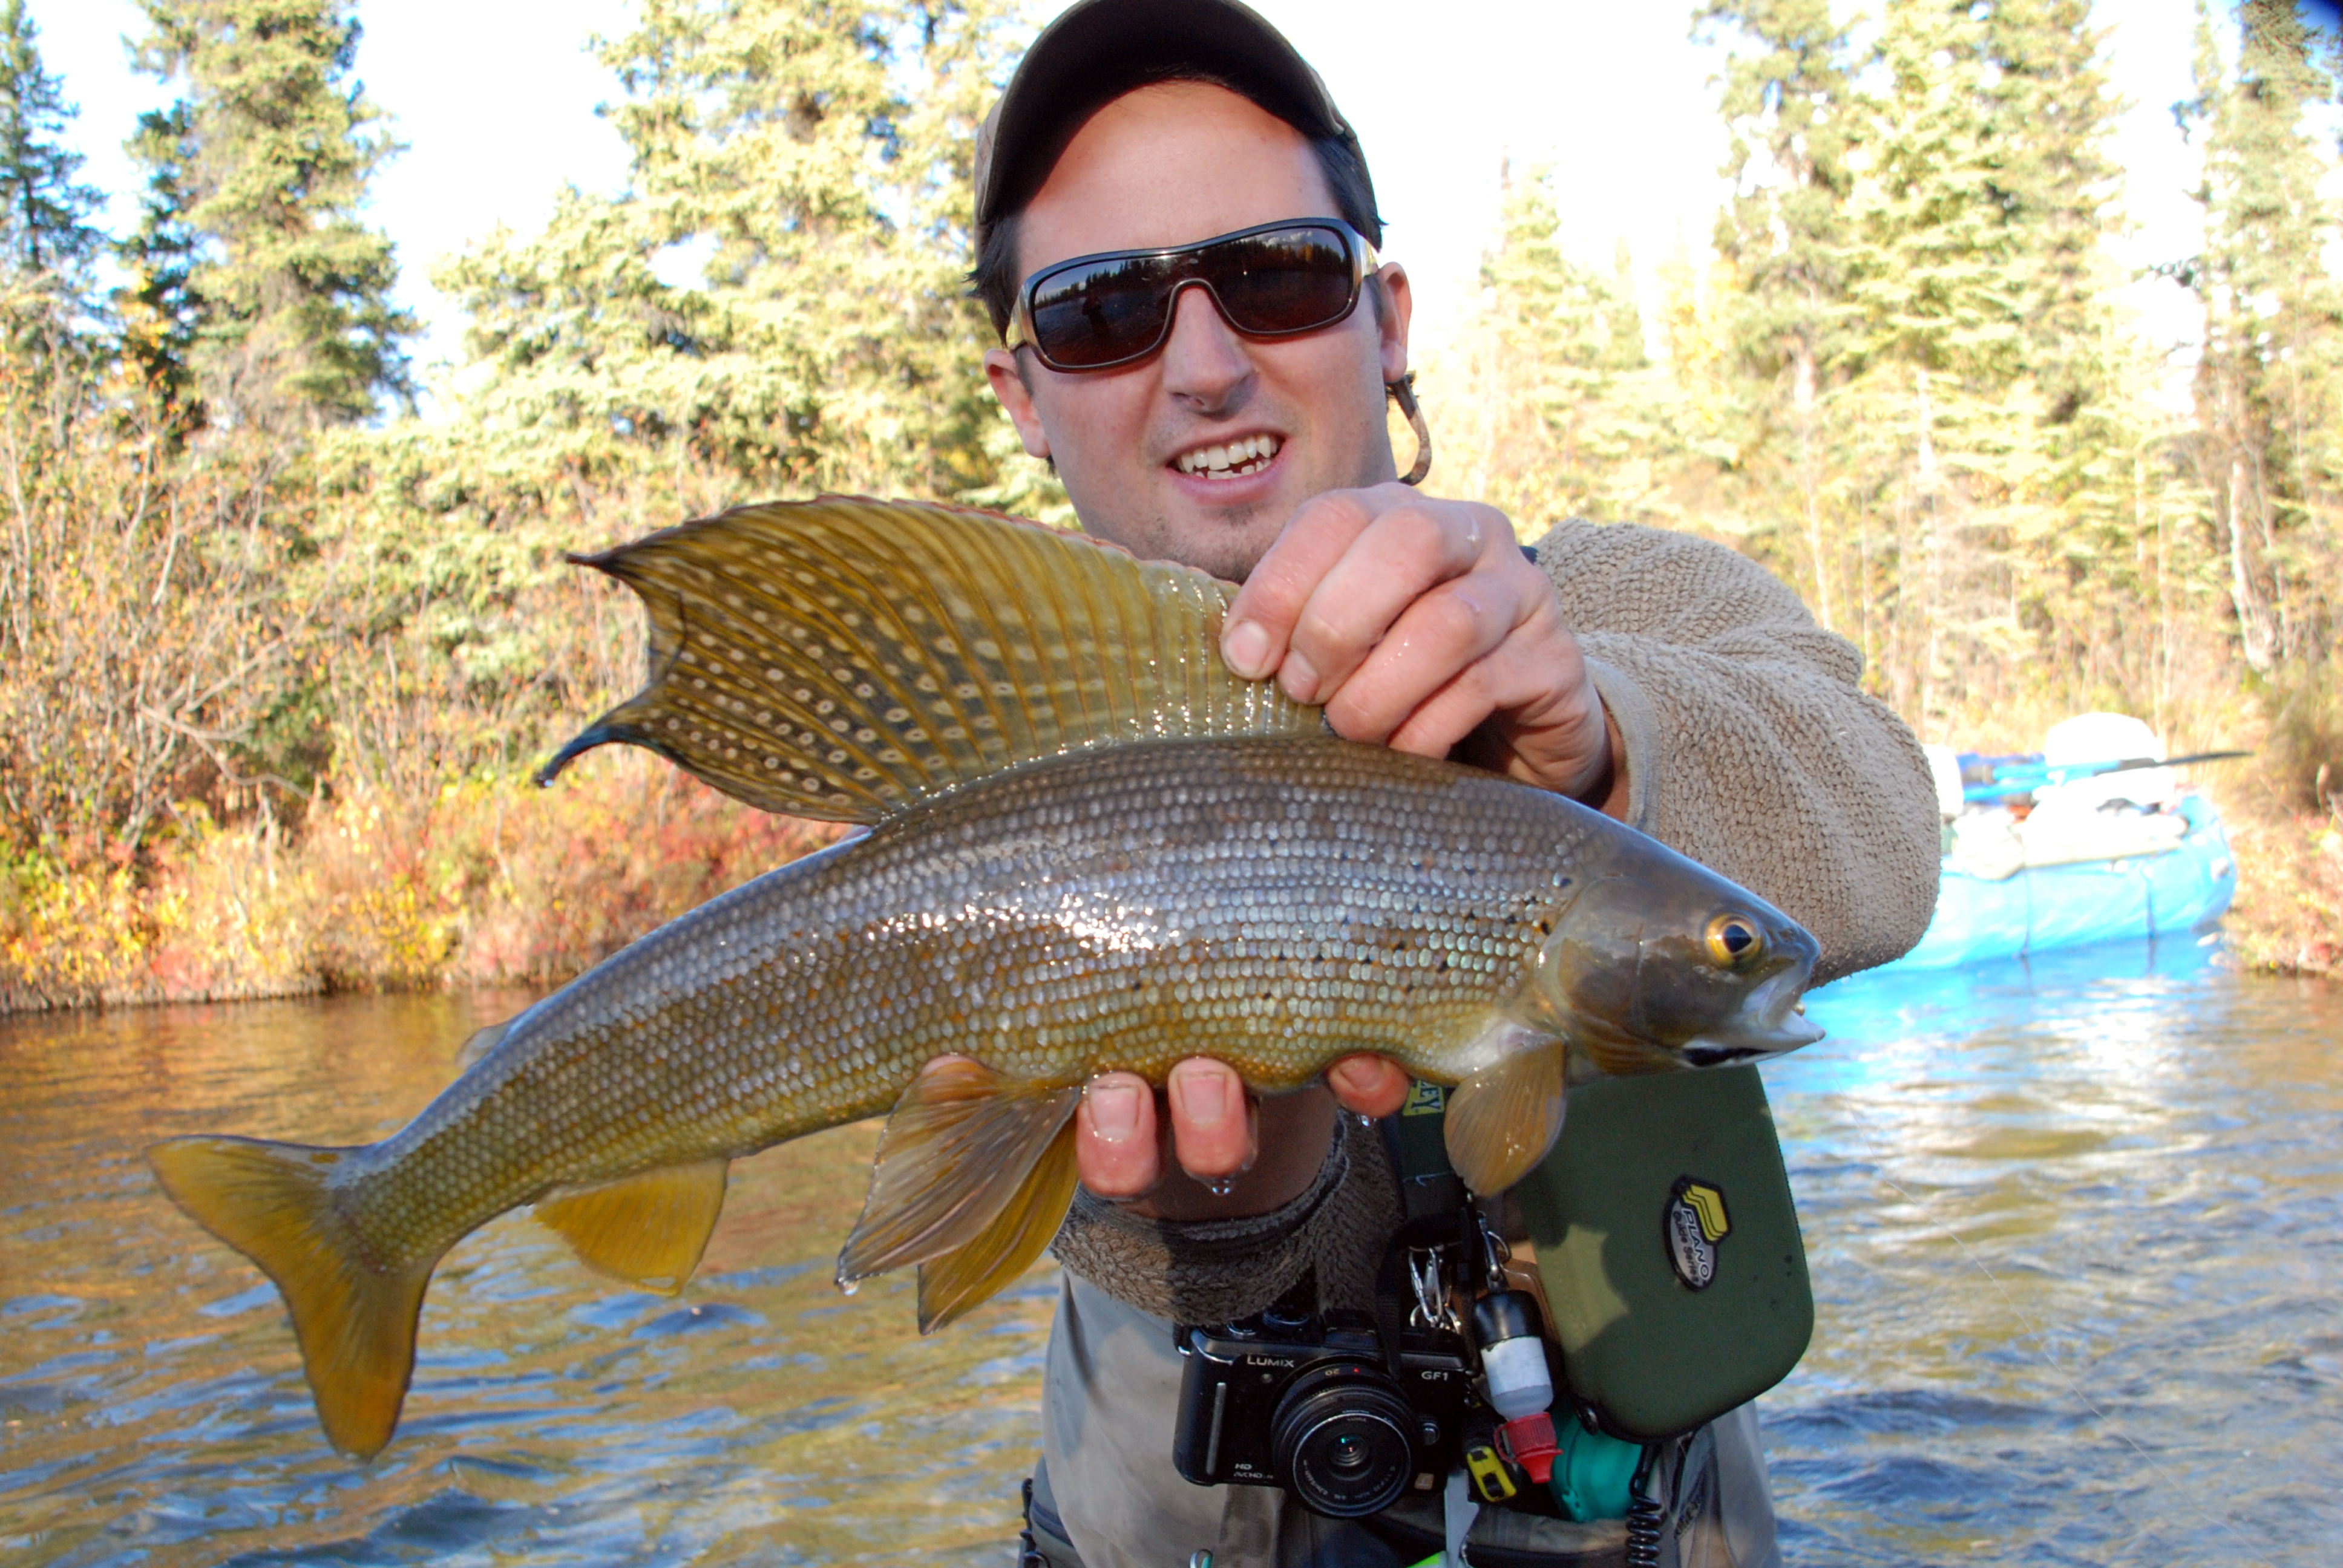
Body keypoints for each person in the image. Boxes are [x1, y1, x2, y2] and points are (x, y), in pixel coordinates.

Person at [941, 2, 1944, 1563]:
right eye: (1099, 313)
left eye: (1276, 276)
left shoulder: (1623, 604)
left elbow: (1885, 836)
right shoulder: (1007, 773)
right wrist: (1217, 1221)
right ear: (1025, 397)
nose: (1203, 365)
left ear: (1385, 317)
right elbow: (977, 1166)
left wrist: (1600, 744)